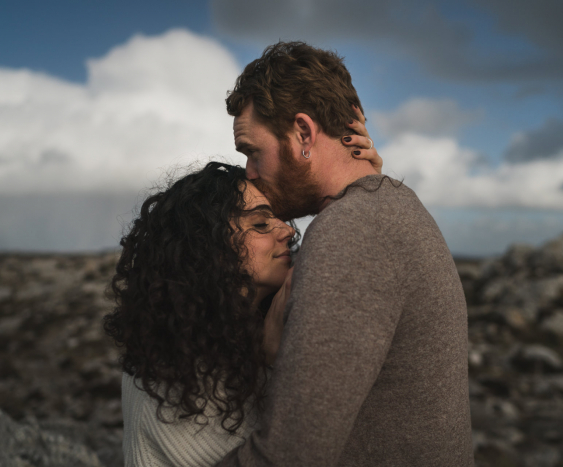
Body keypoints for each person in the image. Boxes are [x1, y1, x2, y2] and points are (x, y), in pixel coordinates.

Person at [219, 41, 474, 467]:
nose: (249, 171)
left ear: (303, 133)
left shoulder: (353, 230)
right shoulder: (386, 206)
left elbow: (289, 456)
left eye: (251, 151)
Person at [104, 114, 382, 467]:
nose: (288, 232)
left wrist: (358, 185)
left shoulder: (255, 330)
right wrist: (271, 362)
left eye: (280, 219)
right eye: (262, 223)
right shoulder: (168, 370)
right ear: (208, 248)